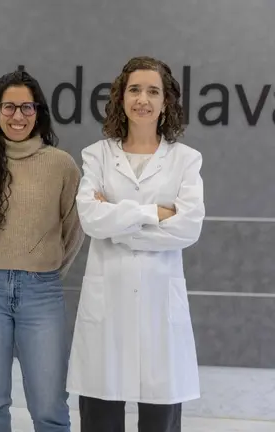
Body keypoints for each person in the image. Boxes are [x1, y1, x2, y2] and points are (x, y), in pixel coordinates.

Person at [67, 56, 205, 432]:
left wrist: (118, 218)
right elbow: (91, 220)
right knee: (100, 416)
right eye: (134, 89)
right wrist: (154, 213)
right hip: (107, 304)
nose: (142, 99)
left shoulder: (185, 160)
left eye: (153, 91)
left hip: (160, 307)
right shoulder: (98, 155)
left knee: (160, 418)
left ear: (166, 102)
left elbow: (188, 228)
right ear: (120, 97)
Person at [0, 69, 84, 432]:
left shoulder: (61, 165)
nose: (18, 116)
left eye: (27, 107)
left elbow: (73, 230)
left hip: (41, 293)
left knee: (49, 407)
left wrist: (43, 268)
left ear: (38, 112)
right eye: (9, 107)